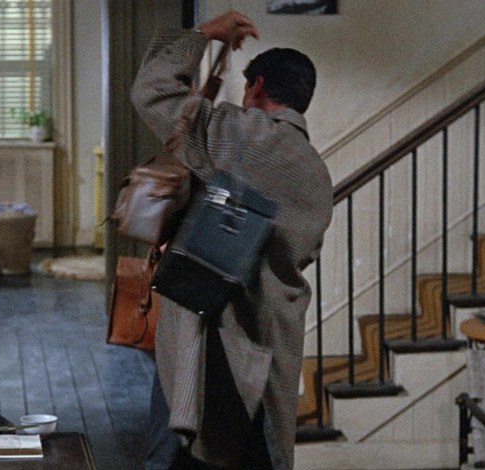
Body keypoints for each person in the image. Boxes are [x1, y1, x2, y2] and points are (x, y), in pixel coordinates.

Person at [131, 10, 334, 470]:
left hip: (211, 337)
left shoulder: (240, 134)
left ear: (257, 87)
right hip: (271, 344)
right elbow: (302, 252)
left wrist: (204, 34)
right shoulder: (317, 173)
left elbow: (151, 91)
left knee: (177, 452)